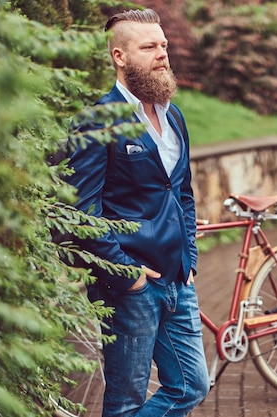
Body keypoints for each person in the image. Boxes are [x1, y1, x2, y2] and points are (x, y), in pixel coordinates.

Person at [65, 8, 209, 417]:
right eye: (149, 47)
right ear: (119, 56)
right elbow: (82, 209)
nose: (162, 54)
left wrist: (190, 258)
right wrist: (126, 275)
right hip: (131, 285)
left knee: (191, 387)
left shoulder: (173, 115)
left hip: (178, 280)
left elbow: (181, 191)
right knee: (126, 401)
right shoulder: (98, 121)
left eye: (163, 45)